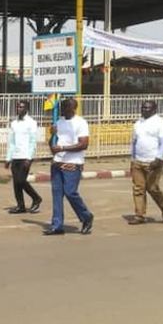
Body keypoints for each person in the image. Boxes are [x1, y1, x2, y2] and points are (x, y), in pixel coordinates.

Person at [45, 97, 94, 236]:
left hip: (73, 163)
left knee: (70, 192)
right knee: (57, 194)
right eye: (62, 106)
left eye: (66, 106)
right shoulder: (58, 122)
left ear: (73, 108)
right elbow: (53, 145)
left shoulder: (80, 123)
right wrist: (52, 136)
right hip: (57, 162)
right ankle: (57, 225)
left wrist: (62, 148)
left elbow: (83, 144)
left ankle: (86, 216)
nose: (63, 109)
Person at [129, 100, 163, 224]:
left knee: (153, 188)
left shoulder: (160, 123)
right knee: (138, 189)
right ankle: (139, 215)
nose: (144, 110)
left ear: (154, 110)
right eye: (143, 107)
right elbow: (134, 142)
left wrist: (158, 158)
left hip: (153, 161)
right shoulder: (138, 123)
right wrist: (133, 158)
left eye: (147, 108)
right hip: (138, 161)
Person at [4, 100, 42, 214]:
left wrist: (29, 158)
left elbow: (33, 141)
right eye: (18, 107)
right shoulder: (14, 123)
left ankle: (36, 198)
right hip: (15, 155)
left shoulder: (31, 123)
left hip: (25, 156)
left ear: (26, 109)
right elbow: (11, 142)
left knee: (21, 180)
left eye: (21, 107)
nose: (19, 109)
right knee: (16, 183)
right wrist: (8, 158)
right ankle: (20, 206)